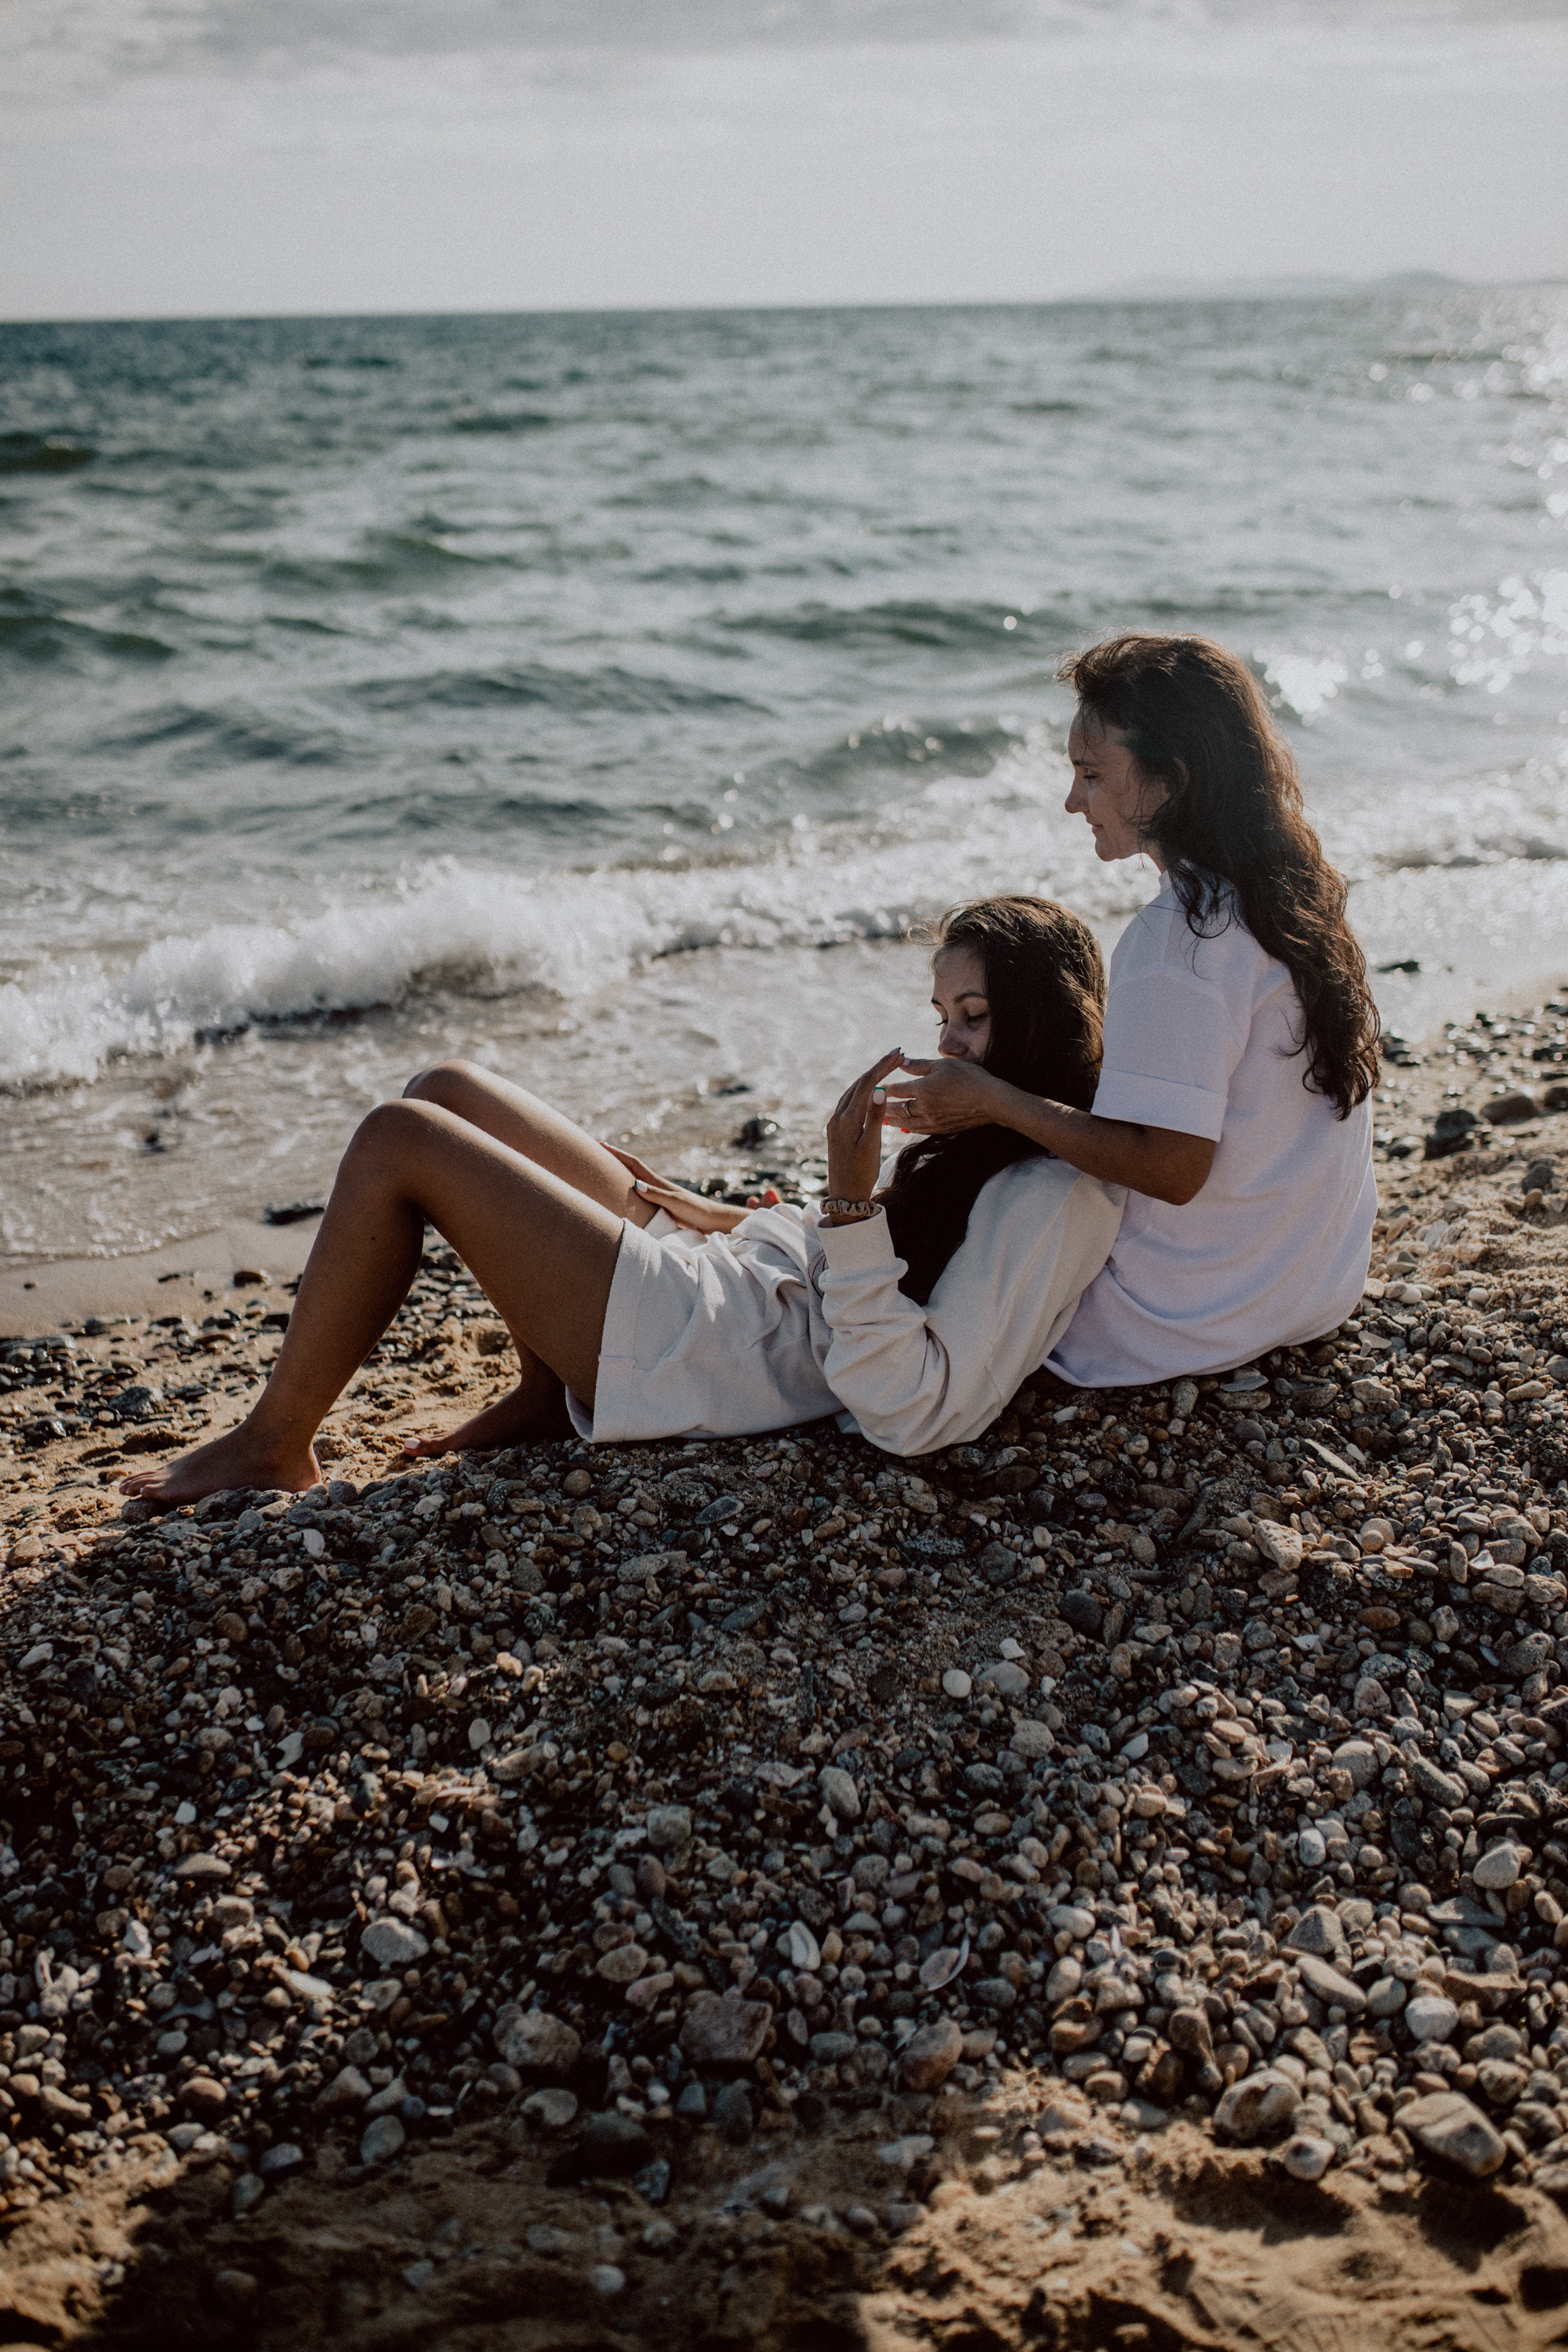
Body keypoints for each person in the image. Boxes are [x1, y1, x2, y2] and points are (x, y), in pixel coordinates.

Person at [121, 897, 1123, 1501]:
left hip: (710, 1347)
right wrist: (731, 1216)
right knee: (447, 1089)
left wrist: (849, 1204)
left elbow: (916, 1413)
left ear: (1036, 1023)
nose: (945, 1046)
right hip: (735, 1280)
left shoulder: (1054, 1196)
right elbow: (877, 1260)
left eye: (974, 1019)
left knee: (400, 1141)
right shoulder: (987, 1141)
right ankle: (538, 1394)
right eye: (942, 1016)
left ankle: (273, 1443)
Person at [880, 633, 1378, 1386]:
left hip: (1173, 1322)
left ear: (1171, 779)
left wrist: (993, 1102)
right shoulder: (1294, 897)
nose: (1073, 800)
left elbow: (1172, 1170)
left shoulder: (1178, 939)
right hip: (1312, 1288)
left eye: (1091, 774)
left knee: (989, 1196)